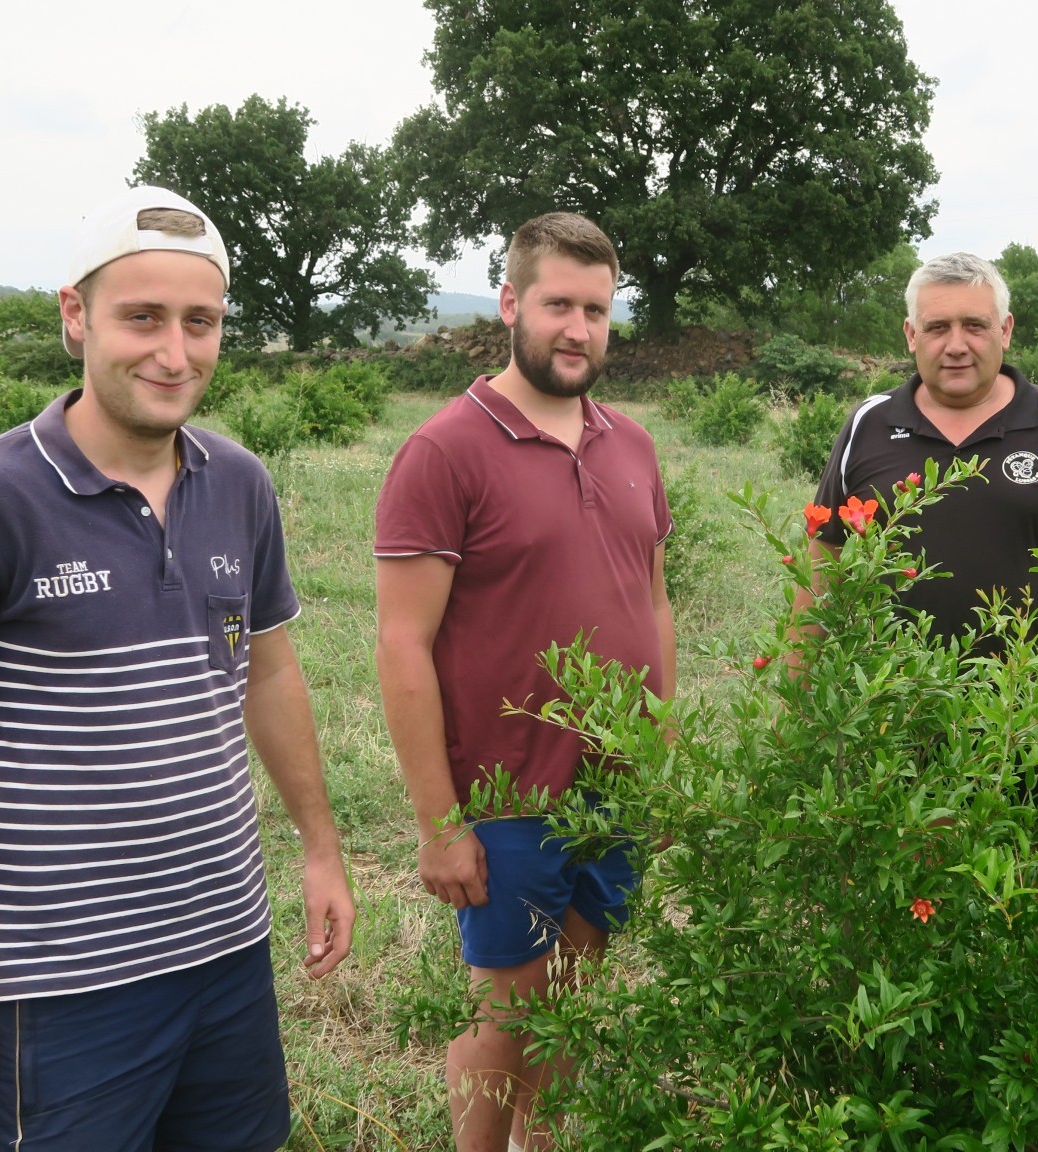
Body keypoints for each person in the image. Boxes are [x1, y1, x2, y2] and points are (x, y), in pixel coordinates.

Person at [0, 185, 355, 1149]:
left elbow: (270, 672)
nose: (175, 353)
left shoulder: (239, 482)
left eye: (200, 322)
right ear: (75, 316)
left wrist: (320, 846)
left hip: (227, 950)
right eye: (143, 318)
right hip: (59, 986)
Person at [373, 212, 675, 1152]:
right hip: (508, 793)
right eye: (557, 305)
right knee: (503, 1014)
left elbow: (655, 606)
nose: (578, 328)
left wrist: (659, 756)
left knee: (574, 1002)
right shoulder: (445, 450)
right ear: (510, 304)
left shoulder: (632, 445)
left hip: (615, 785)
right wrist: (440, 823)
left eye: (596, 307)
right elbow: (401, 645)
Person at [809, 252, 1038, 765]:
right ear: (911, 336)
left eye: (974, 326)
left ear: (1005, 330)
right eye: (937, 327)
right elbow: (821, 571)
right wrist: (800, 709)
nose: (956, 345)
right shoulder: (867, 424)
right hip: (885, 721)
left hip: (1022, 722)